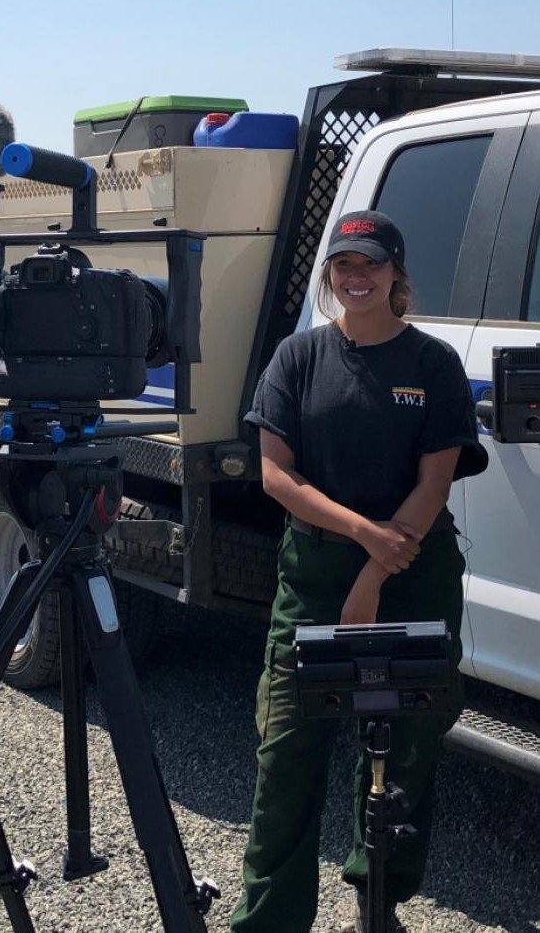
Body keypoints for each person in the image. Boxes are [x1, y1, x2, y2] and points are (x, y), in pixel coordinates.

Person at [229, 211, 488, 933]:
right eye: (344, 264)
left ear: (397, 273)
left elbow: (435, 484)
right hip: (315, 577)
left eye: (371, 264)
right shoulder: (299, 357)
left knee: (407, 746)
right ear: (330, 275)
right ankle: (268, 919)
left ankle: (378, 900)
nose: (357, 276)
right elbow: (276, 476)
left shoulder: (431, 363)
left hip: (414, 571)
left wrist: (374, 572)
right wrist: (361, 537)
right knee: (286, 753)